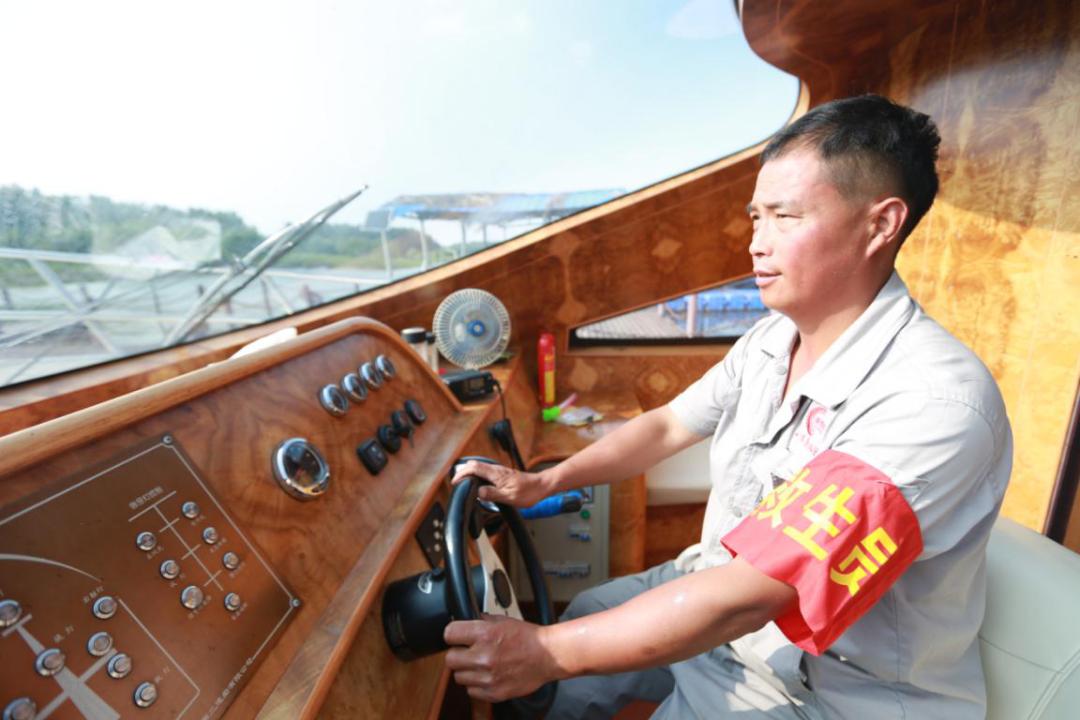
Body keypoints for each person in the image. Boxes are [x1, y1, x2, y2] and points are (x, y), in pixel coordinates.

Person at [444, 95, 1013, 719]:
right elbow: (666, 426)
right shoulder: (772, 340)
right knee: (589, 614)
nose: (756, 244)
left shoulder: (933, 402)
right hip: (724, 597)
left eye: (785, 217)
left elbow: (760, 591)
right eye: (754, 218)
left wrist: (549, 651)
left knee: (562, 650)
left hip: (822, 688)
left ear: (881, 225)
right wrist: (543, 481)